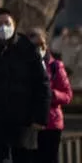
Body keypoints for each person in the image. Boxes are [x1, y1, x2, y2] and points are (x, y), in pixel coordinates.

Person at [0, 8, 51, 163]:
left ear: (14, 24)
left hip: (24, 122)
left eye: (7, 23)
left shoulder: (27, 49)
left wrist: (40, 117)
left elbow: (42, 84)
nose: (3, 27)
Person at [27, 28, 73, 163]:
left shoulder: (55, 66)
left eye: (41, 44)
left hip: (51, 124)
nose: (38, 48)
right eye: (34, 45)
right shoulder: (22, 66)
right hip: (28, 125)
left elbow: (67, 95)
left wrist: (51, 95)